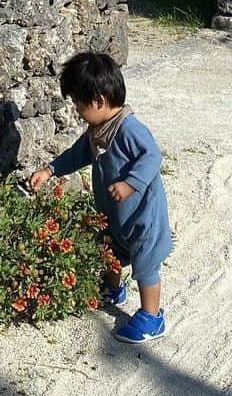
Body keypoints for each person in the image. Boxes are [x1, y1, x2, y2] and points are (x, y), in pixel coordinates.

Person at [29, 51, 173, 344]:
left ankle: (152, 315)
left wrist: (130, 184)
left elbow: (152, 156)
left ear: (99, 101)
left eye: (79, 105)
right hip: (115, 215)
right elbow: (78, 154)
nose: (77, 111)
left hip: (142, 218)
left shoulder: (129, 129)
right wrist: (50, 170)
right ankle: (113, 288)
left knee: (145, 266)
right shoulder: (97, 131)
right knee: (109, 250)